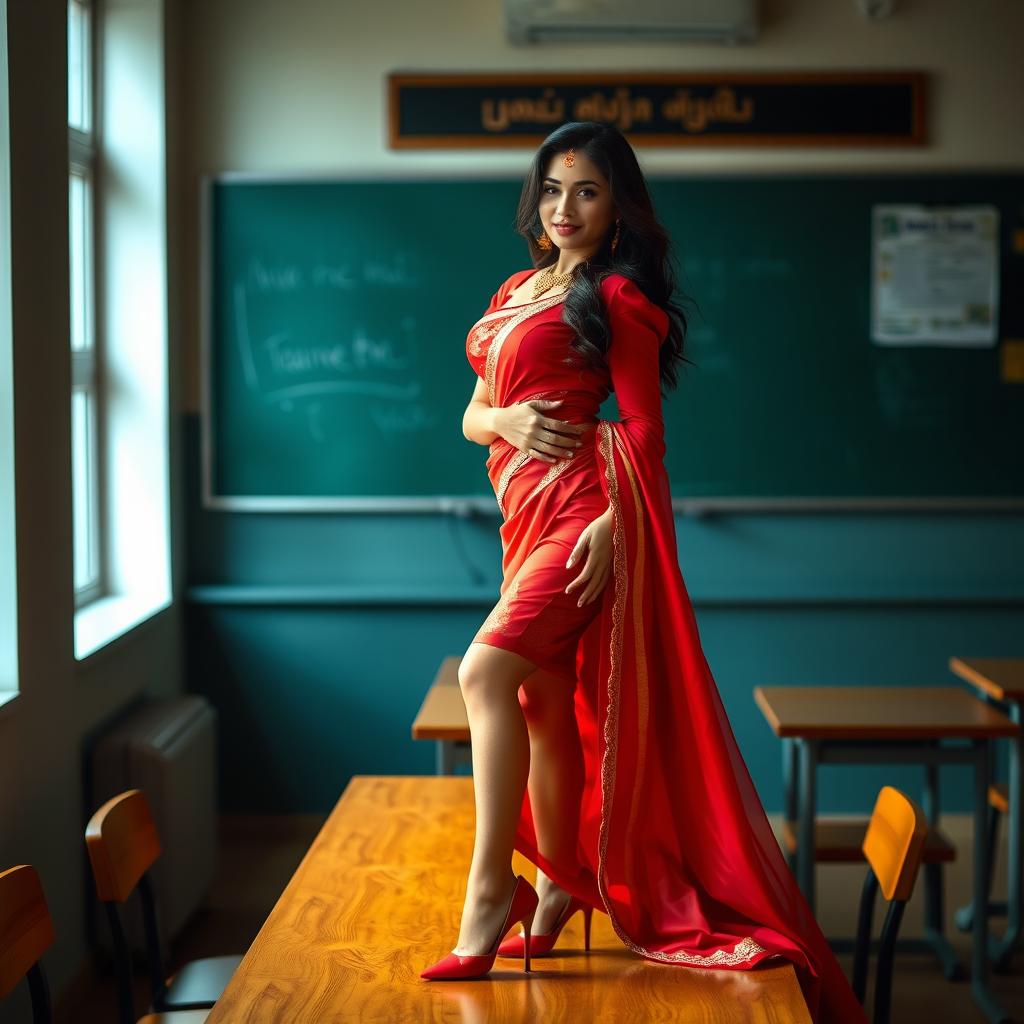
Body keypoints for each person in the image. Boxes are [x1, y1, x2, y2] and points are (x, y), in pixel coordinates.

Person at [420, 122, 866, 1023]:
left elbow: (645, 433)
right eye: (552, 190)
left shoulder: (616, 297)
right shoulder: (515, 290)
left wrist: (622, 524)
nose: (565, 208)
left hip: (583, 520)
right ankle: (556, 889)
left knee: (483, 672)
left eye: (586, 190)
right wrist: (504, 425)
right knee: (543, 706)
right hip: (522, 517)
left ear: (618, 203)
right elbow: (472, 410)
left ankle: (489, 893)